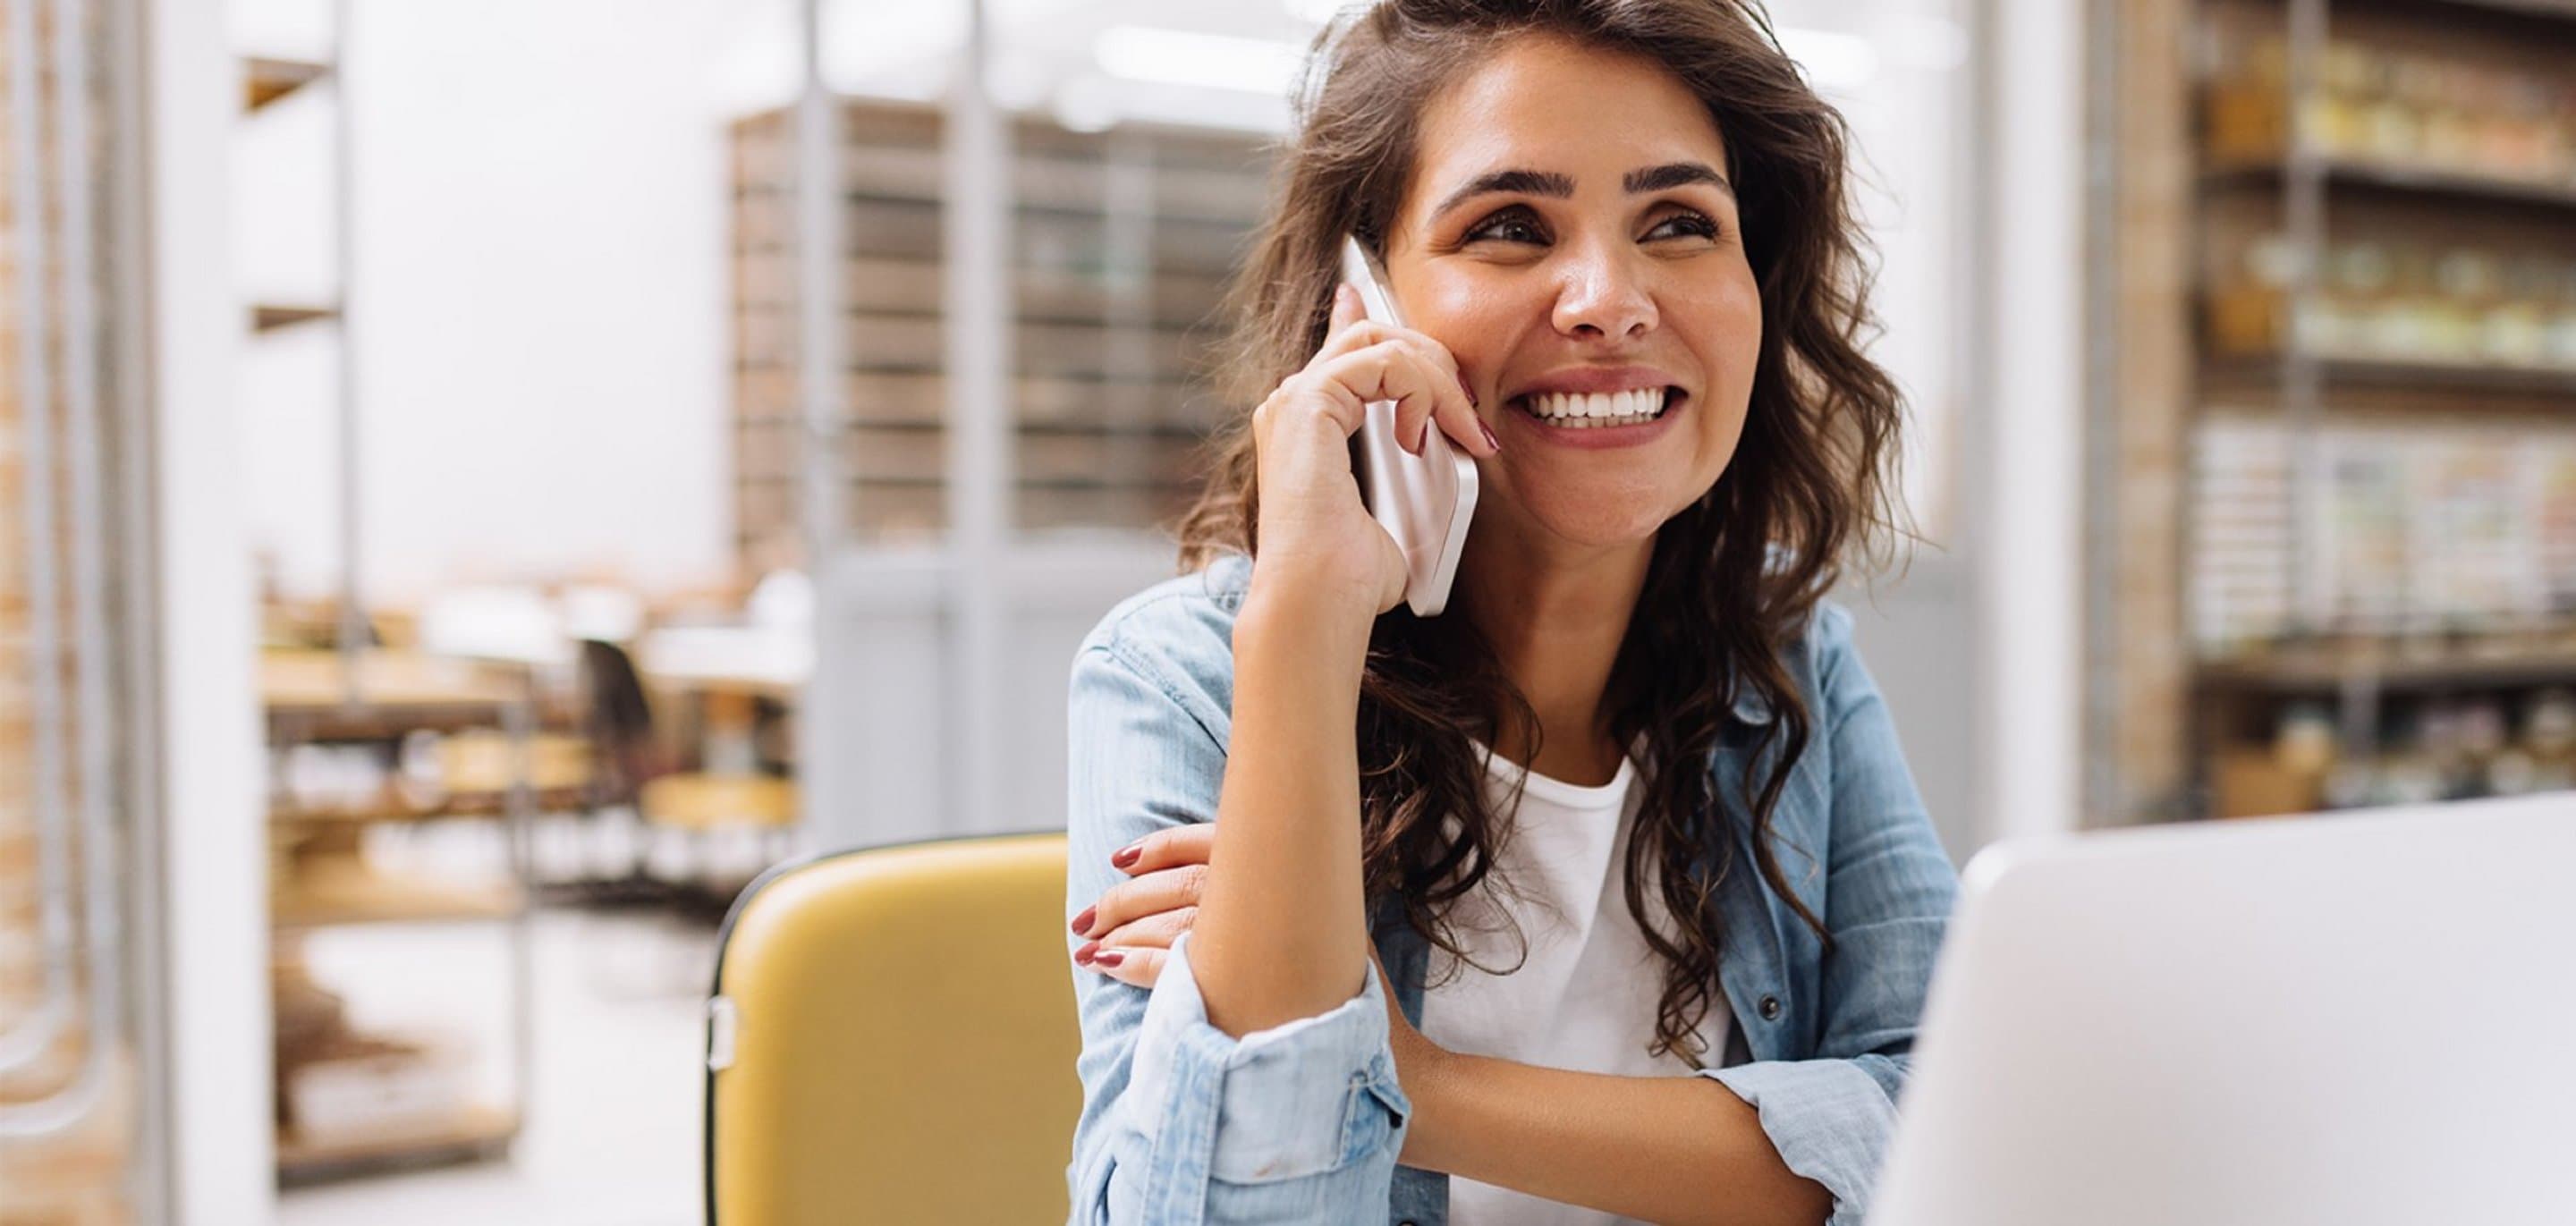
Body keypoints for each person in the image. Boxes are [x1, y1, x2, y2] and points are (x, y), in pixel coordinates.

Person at [1062, 3, 1957, 1222]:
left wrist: (1411, 1081)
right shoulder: (1188, 678)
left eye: (1680, 223)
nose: (1610, 300)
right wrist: (1303, 627)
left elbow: (1950, 1125)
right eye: (1509, 227)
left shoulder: (1788, 659)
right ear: (1362, 304)